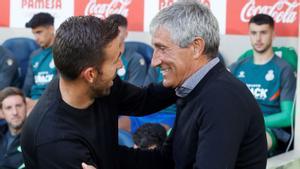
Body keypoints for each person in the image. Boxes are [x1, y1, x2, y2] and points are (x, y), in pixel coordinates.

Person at [114, 1, 267, 169]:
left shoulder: (221, 98)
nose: (155, 61)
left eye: (162, 48)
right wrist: (103, 155)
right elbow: (168, 160)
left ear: (196, 47)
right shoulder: (194, 88)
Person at [20, 15, 176, 169]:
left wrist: (186, 80)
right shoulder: (55, 142)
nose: (121, 65)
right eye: (116, 59)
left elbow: (143, 100)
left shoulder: (101, 84)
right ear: (90, 74)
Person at [229, 14, 296, 154]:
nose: (258, 38)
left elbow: (287, 116)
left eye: (263, 32)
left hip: (269, 129)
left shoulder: (284, 69)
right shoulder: (238, 66)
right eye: (254, 33)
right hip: (237, 124)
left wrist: (251, 123)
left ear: (273, 35)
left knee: (247, 148)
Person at [106, 14, 176, 134]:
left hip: (168, 115)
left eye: (163, 47)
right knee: (113, 128)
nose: (156, 58)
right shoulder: (156, 63)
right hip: (145, 112)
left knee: (153, 134)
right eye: (157, 47)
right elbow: (144, 94)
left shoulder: (135, 58)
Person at [22, 12, 57, 112]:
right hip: (31, 105)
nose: (36, 38)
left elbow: (62, 89)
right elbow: (27, 86)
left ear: (51, 29)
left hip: (52, 105)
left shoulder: (63, 52)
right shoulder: (34, 55)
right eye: (34, 34)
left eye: (39, 32)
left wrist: (38, 102)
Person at [0, 87, 27, 169]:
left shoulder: (36, 138)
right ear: (1, 112)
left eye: (18, 106)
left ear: (26, 107)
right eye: (8, 108)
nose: (15, 112)